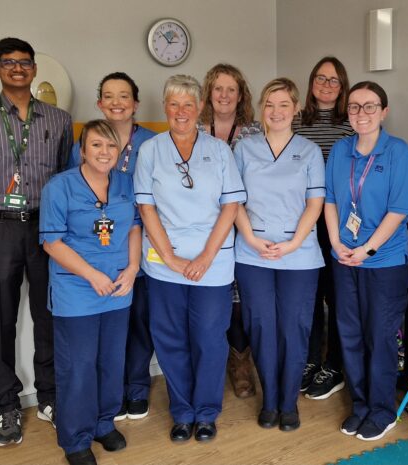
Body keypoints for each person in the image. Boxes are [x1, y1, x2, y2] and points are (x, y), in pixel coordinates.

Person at [0, 37, 73, 446]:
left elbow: (64, 178)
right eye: (9, 63)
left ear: (34, 68)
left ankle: (50, 397)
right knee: (2, 320)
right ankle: (7, 405)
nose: (17, 69)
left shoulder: (59, 119)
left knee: (49, 315)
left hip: (46, 228)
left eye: (25, 62)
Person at [134, 75, 246, 443]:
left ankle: (207, 412)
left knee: (210, 339)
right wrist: (170, 258)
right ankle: (182, 412)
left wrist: (205, 257)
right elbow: (146, 207)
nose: (181, 111)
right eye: (173, 104)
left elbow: (231, 205)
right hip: (164, 263)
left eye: (188, 104)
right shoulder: (150, 150)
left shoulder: (220, 150)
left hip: (211, 263)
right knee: (170, 339)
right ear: (165, 108)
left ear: (200, 108)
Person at [40, 120, 142, 465]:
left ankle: (103, 423)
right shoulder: (60, 187)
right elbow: (52, 243)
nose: (104, 152)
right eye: (96, 145)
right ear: (82, 150)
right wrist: (91, 274)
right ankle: (75, 438)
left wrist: (132, 268)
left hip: (118, 287)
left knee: (111, 361)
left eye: (111, 146)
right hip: (77, 289)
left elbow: (134, 229)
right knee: (78, 366)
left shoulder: (126, 183)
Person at [233, 78, 324, 431]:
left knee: (294, 327)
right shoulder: (244, 149)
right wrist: (252, 239)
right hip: (252, 252)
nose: (276, 111)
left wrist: (292, 243)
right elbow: (234, 200)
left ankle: (289, 402)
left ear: (296, 108)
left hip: (298, 255)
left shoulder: (310, 151)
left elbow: (315, 203)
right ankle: (269, 400)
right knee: (261, 327)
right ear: (261, 109)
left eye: (283, 104)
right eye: (269, 104)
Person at [325, 81, 408, 442]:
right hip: (343, 258)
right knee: (348, 333)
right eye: (355, 107)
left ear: (384, 111)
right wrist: (336, 241)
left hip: (384, 261)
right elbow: (330, 199)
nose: (362, 113)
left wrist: (367, 250)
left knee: (379, 335)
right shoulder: (339, 150)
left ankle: (382, 410)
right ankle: (360, 405)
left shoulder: (398, 152)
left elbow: (400, 211)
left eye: (370, 106)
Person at [68, 72, 158, 421]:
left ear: (135, 104)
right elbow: (74, 192)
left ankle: (136, 388)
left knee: (139, 322)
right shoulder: (86, 142)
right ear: (99, 103)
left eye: (124, 96)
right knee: (108, 327)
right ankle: (110, 393)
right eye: (109, 96)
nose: (117, 102)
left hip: (143, 246)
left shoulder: (153, 143)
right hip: (99, 251)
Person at [198, 63, 262, 399]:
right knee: (209, 300)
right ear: (209, 93)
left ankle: (240, 362)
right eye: (218, 88)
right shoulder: (192, 129)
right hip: (201, 229)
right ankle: (208, 364)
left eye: (231, 89)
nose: (224, 95)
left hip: (243, 225)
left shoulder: (254, 133)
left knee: (240, 301)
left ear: (241, 96)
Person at [292, 56, 354, 400]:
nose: (327, 85)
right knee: (310, 297)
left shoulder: (351, 123)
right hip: (303, 223)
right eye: (320, 78)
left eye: (333, 80)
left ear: (342, 85)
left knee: (339, 296)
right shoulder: (297, 121)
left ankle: (335, 365)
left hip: (342, 224)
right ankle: (310, 360)